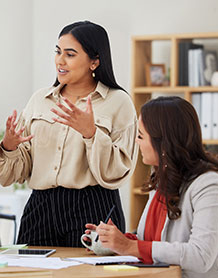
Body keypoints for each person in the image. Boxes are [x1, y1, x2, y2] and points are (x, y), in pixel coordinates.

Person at [0, 21, 138, 247]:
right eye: (58, 52)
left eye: (70, 54)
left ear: (94, 61)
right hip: (40, 207)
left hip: (93, 206)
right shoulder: (40, 100)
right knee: (31, 272)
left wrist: (91, 133)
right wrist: (9, 147)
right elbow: (14, 174)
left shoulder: (118, 102)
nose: (60, 60)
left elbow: (119, 170)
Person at [88, 96, 218, 278]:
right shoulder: (163, 178)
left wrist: (130, 247)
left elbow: (201, 256)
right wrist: (115, 240)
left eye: (140, 136)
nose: (136, 142)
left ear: (163, 142)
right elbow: (153, 242)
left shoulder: (208, 185)